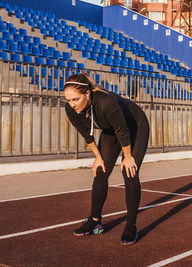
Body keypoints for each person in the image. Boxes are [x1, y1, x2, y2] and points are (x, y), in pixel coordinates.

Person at [64, 73, 149, 245]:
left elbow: (123, 131)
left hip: (135, 126)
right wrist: (98, 158)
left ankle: (131, 226)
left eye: (76, 99)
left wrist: (127, 157)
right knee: (100, 171)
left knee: (129, 172)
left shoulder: (106, 102)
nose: (72, 104)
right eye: (68, 100)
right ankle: (95, 221)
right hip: (112, 131)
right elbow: (87, 135)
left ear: (87, 94)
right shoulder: (70, 109)